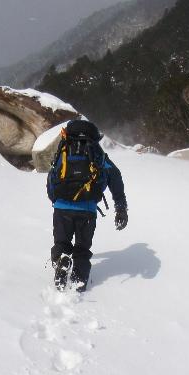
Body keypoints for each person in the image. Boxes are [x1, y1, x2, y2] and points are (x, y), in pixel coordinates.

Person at [46, 120, 128, 292]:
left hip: (62, 207)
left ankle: (61, 258)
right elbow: (115, 177)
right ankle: (78, 281)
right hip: (87, 210)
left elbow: (52, 175)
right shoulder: (97, 153)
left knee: (61, 242)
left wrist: (55, 200)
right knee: (82, 249)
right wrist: (120, 207)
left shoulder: (65, 148)